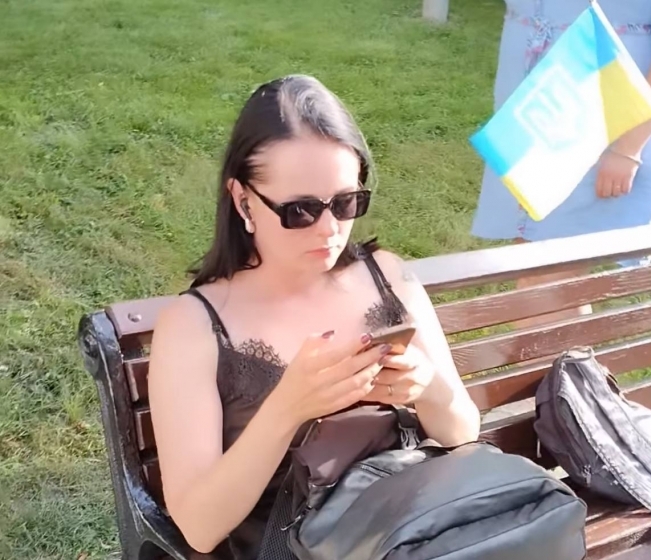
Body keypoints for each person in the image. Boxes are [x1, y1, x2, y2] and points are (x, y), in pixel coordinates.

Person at [147, 74, 481, 558]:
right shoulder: (194, 325)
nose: (329, 229)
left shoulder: (386, 275)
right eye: (300, 211)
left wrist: (426, 387)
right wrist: (286, 410)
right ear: (243, 200)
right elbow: (199, 527)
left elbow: (463, 430)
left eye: (346, 203)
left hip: (414, 533)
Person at [472, 0, 651, 325]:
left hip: (600, 125)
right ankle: (563, 357)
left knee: (547, 275)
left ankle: (553, 358)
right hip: (535, 116)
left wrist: (628, 148)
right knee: (536, 267)